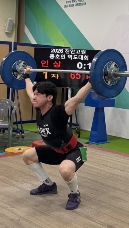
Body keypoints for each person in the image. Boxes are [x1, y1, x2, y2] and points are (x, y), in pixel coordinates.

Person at [22, 68, 92, 210]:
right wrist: (26, 76)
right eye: (35, 94)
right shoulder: (39, 109)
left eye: (38, 95)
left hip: (74, 151)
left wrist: (92, 82)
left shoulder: (58, 112)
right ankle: (48, 185)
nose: (34, 97)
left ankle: (74, 194)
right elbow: (29, 90)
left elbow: (77, 99)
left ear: (49, 98)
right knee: (27, 156)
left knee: (65, 170)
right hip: (56, 151)